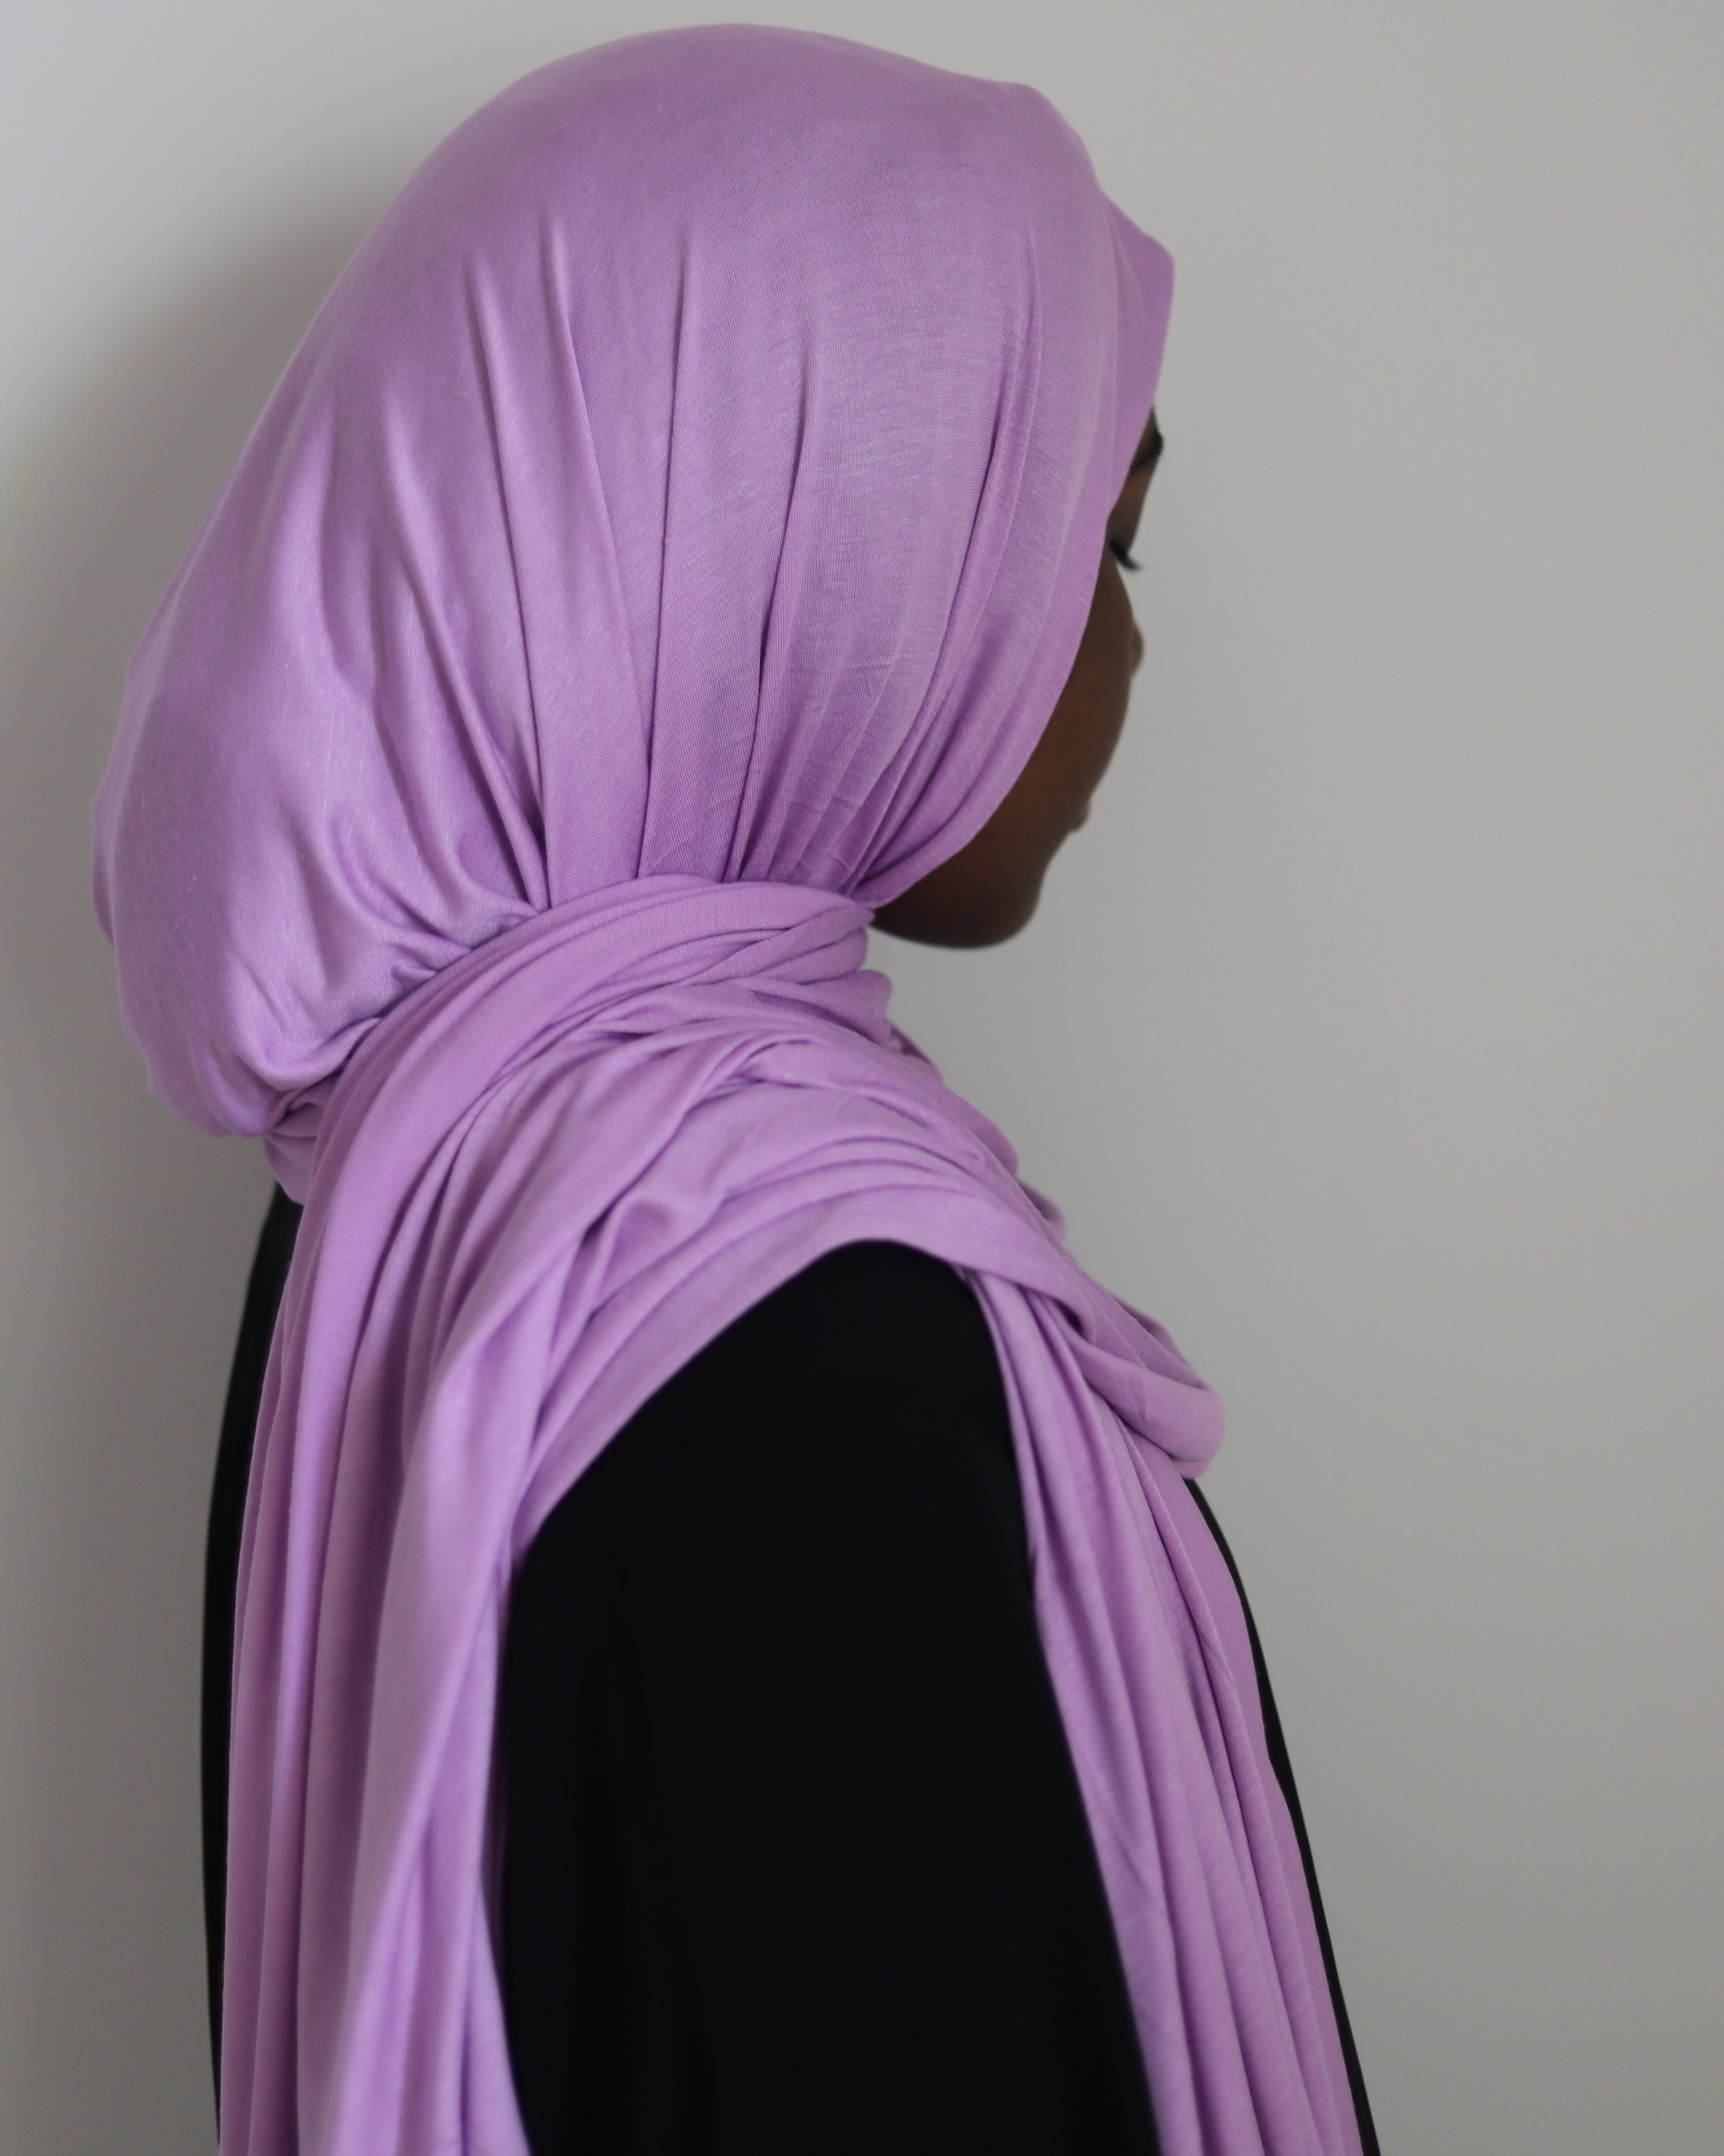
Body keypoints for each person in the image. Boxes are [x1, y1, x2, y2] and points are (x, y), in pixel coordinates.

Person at [95, 26, 1378, 2156]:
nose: (1126, 649)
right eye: (1095, 539)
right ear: (803, 542)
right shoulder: (788, 1334)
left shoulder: (423, 1198)